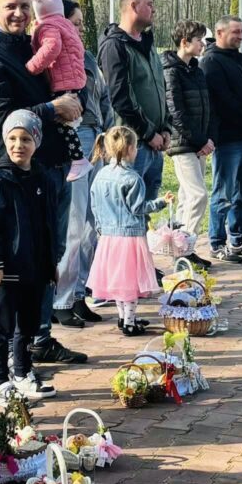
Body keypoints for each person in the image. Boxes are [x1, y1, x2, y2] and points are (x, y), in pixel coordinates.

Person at [0, 0, 86, 365]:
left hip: (50, 167)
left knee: (51, 254)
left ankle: (40, 336)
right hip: (18, 179)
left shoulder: (30, 44)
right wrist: (53, 109)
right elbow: (2, 121)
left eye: (23, 5)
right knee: (23, 267)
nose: (18, 13)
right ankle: (19, 354)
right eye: (9, 6)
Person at [0, 110, 62, 405]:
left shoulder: (43, 178)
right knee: (1, 326)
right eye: (12, 138)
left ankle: (23, 373)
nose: (18, 145)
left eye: (25, 139)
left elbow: (50, 224)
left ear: (36, 142)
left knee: (28, 325)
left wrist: (52, 263)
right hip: (8, 269)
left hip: (35, 268)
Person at [51, 0, 113, 327]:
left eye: (78, 24)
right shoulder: (56, 54)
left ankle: (79, 294)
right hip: (76, 138)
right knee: (74, 224)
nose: (76, 29)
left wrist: (108, 132)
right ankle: (60, 300)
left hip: (98, 137)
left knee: (92, 224)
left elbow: (103, 97)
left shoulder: (86, 56)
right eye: (71, 22)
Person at [87, 126, 173, 336]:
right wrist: (161, 202)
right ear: (130, 148)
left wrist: (101, 228)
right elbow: (138, 208)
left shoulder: (100, 175)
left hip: (108, 236)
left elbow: (95, 205)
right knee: (130, 282)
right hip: (129, 237)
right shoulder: (132, 178)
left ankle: (124, 317)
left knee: (118, 280)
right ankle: (129, 322)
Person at [201, 16, 242, 263]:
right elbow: (224, 100)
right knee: (224, 192)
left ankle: (238, 239)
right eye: (235, 32)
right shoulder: (211, 62)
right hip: (229, 139)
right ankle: (217, 242)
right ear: (219, 32)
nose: (241, 36)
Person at [98, 0, 170, 203]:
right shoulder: (115, 46)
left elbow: (160, 88)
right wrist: (148, 133)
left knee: (145, 211)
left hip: (155, 143)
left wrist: (165, 128)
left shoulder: (148, 45)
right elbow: (120, 98)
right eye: (149, 4)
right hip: (131, 143)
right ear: (133, 6)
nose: (154, 9)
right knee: (127, 210)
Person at [26, 0, 92, 182]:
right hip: (77, 81)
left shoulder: (48, 26)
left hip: (63, 83)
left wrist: (32, 66)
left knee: (63, 123)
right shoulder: (65, 24)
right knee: (68, 122)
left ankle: (79, 160)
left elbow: (52, 47)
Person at [162, 20, 214, 268]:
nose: (203, 44)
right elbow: (176, 113)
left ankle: (180, 252)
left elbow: (207, 106)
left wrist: (208, 138)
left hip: (199, 143)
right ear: (185, 42)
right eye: (199, 40)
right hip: (182, 144)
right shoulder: (171, 70)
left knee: (186, 198)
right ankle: (185, 247)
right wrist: (199, 140)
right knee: (198, 195)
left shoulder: (196, 69)